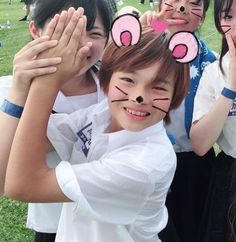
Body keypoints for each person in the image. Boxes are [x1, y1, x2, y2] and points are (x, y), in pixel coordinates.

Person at [3, 9, 192, 241]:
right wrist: (19, 91)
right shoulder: (102, 113)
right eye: (128, 80)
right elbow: (11, 156)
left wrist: (48, 81)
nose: (139, 97)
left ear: (175, 96)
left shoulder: (143, 166)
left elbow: (21, 185)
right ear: (107, 81)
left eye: (159, 87)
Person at [0, 0, 112, 242]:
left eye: (94, 33)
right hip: (53, 227)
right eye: (64, 29)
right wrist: (20, 90)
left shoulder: (117, 88)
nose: (79, 43)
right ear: (35, 31)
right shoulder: (9, 90)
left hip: (109, 223)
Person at [140, 1, 217, 242]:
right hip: (145, 158)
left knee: (191, 229)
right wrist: (145, 33)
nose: (182, 8)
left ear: (202, 17)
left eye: (193, 3)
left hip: (194, 163)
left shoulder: (212, 63)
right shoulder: (142, 44)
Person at [190, 0, 236, 241]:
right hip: (227, 178)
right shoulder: (214, 71)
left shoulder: (205, 55)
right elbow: (200, 144)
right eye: (228, 16)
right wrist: (231, 87)